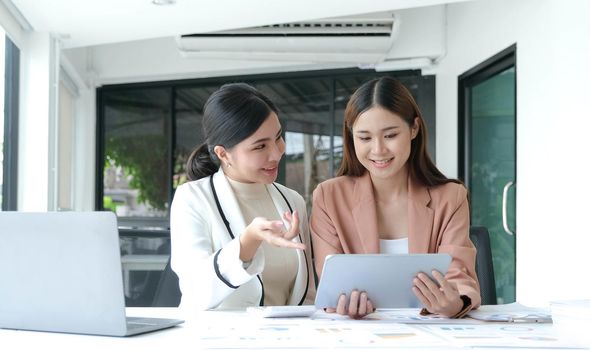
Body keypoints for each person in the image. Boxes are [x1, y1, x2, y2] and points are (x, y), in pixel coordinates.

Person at [310, 77, 480, 319]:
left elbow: (459, 276)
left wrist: (455, 303)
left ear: (414, 128)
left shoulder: (450, 197)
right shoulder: (329, 197)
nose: (378, 150)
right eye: (365, 138)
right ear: (351, 138)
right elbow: (331, 286)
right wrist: (342, 304)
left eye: (390, 135)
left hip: (429, 333)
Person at [170, 83, 315, 311]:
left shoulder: (292, 200)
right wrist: (248, 241)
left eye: (278, 137)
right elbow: (195, 291)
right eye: (260, 147)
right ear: (223, 153)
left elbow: (307, 295)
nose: (277, 153)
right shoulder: (192, 198)